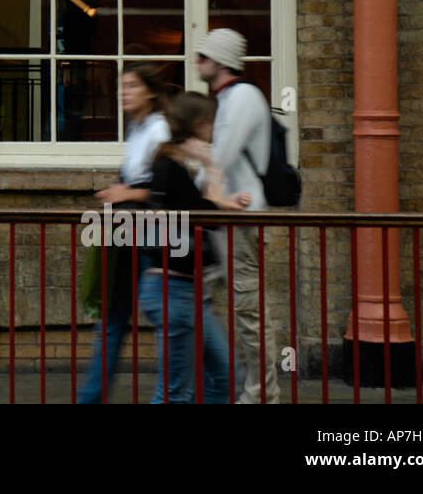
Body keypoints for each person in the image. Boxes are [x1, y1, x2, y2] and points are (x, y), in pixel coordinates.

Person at [182, 28, 280, 404]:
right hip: (222, 216)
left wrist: (194, 162)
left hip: (243, 217)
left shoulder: (243, 97)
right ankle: (216, 383)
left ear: (221, 61)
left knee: (249, 312)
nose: (198, 61)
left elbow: (219, 158)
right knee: (190, 298)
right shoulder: (225, 99)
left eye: (204, 56)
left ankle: (261, 394)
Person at [139, 91, 250, 403]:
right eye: (213, 124)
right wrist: (212, 167)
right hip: (173, 291)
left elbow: (194, 208)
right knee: (175, 393)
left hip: (184, 291)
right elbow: (204, 219)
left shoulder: (172, 168)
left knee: (224, 376)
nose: (216, 131)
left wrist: (223, 202)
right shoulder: (170, 168)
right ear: (201, 126)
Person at [77, 62, 170, 403]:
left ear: (151, 91)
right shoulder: (138, 128)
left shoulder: (159, 130)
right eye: (122, 86)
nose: (124, 92)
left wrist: (125, 192)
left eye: (132, 86)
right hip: (128, 232)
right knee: (113, 317)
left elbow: (165, 190)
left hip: (152, 235)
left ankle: (175, 395)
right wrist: (120, 191)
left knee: (163, 317)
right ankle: (91, 397)